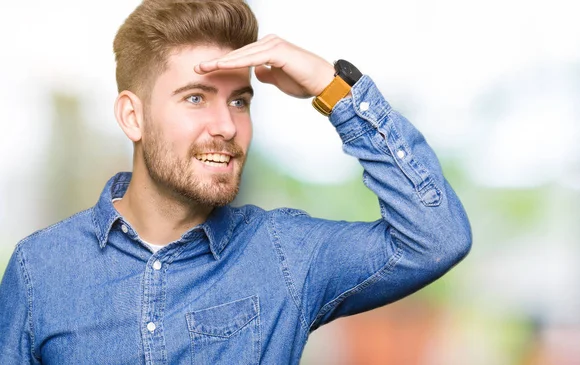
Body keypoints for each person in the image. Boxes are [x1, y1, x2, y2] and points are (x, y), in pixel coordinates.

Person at [0, 0, 472, 363]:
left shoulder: (284, 253)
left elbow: (435, 239)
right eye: (195, 98)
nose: (226, 126)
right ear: (132, 116)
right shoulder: (39, 270)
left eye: (240, 102)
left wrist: (333, 88)